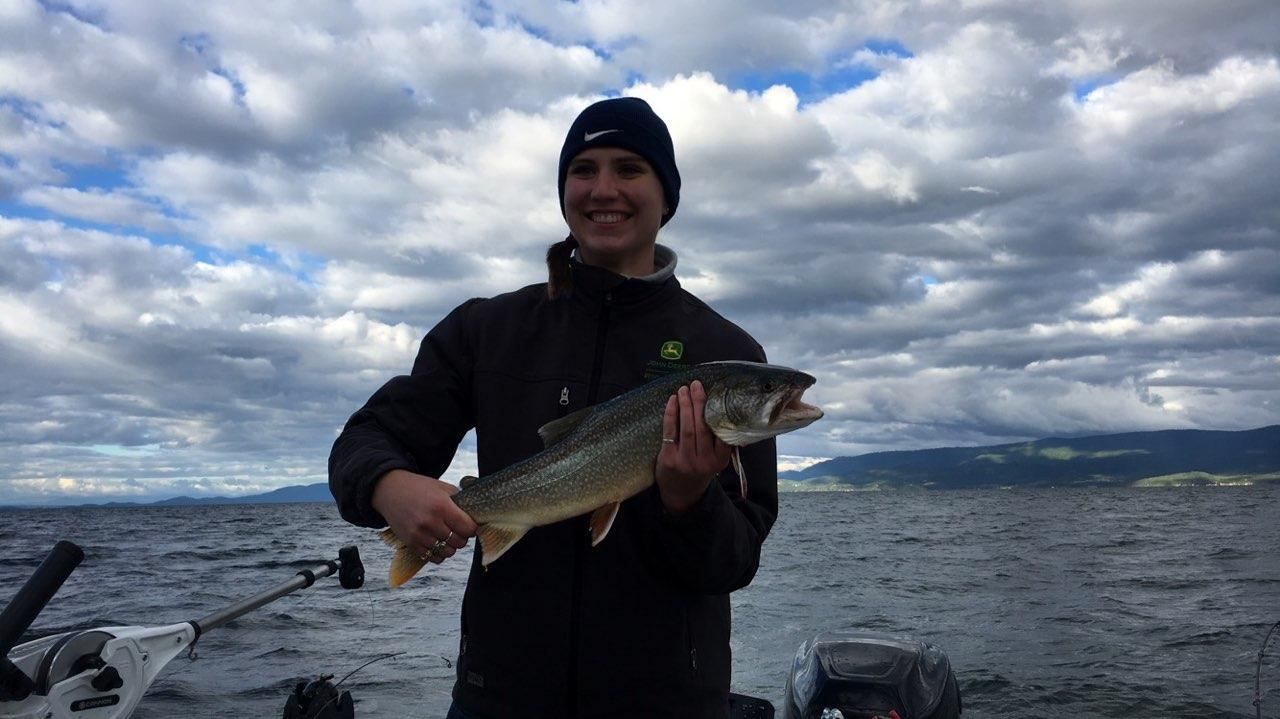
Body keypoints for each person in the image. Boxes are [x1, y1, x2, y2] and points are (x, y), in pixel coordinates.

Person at [329, 96, 779, 719]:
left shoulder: (726, 356)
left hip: (667, 702)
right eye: (583, 169)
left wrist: (688, 501)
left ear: (667, 195)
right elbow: (365, 438)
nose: (604, 189)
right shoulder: (489, 329)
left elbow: (735, 560)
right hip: (501, 695)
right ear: (563, 189)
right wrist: (388, 485)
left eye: (629, 168)